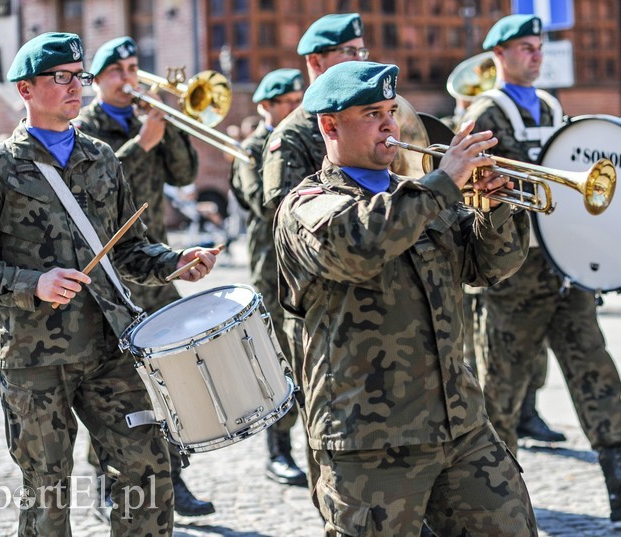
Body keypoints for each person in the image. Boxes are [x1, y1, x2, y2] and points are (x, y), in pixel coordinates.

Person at [0, 32, 219, 535]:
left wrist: (175, 261)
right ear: (26, 89)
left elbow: (129, 249)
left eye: (78, 77)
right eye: (60, 78)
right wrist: (31, 283)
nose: (75, 87)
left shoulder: (103, 157)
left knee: (148, 473)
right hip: (35, 357)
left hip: (111, 349)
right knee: (48, 488)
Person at [274, 59, 537, 537]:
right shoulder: (307, 203)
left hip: (460, 424)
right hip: (369, 439)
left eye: (391, 111)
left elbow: (489, 267)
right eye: (372, 113)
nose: (390, 124)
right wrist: (444, 184)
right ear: (330, 126)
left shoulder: (418, 195)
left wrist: (494, 210)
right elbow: (359, 246)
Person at [461, 14, 621, 522]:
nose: (536, 56)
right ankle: (490, 498)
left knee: (594, 367)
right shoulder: (485, 111)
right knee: (501, 388)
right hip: (513, 275)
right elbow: (481, 191)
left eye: (539, 47)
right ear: (499, 55)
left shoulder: (551, 105)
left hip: (564, 269)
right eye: (524, 48)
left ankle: (620, 477)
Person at [73, 36, 215, 518]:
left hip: (151, 262)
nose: (129, 77)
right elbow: (95, 194)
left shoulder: (145, 117)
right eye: (118, 70)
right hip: (106, 272)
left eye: (134, 67)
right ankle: (106, 482)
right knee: (112, 381)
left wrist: (169, 124)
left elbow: (184, 173)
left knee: (170, 376)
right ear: (97, 78)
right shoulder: (83, 127)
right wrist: (141, 145)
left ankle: (174, 476)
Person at [260, 12, 369, 493]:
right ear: (317, 61)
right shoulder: (293, 135)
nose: (360, 61)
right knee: (322, 410)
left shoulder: (366, 120)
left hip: (367, 289)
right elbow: (292, 219)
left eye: (362, 52)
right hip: (316, 296)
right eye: (350, 53)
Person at [230, 67, 307, 486]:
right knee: (277, 364)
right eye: (288, 103)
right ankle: (278, 450)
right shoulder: (252, 148)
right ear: (266, 107)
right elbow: (263, 203)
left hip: (306, 267)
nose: (296, 109)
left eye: (299, 101)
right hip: (271, 269)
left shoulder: (309, 139)